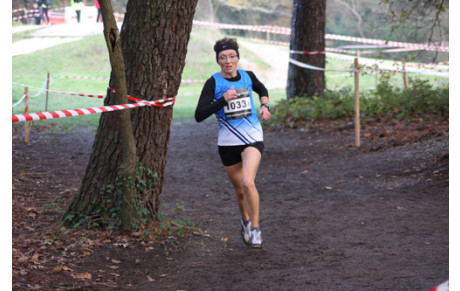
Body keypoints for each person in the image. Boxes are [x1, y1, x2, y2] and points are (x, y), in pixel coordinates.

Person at [195, 37, 271, 248]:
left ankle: (255, 229)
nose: (228, 61)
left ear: (237, 58)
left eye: (231, 56)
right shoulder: (213, 82)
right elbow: (199, 114)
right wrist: (222, 100)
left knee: (248, 182)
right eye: (222, 57)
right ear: (218, 60)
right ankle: (245, 221)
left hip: (252, 137)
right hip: (228, 143)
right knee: (239, 190)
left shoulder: (247, 76)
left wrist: (265, 106)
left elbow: (262, 89)